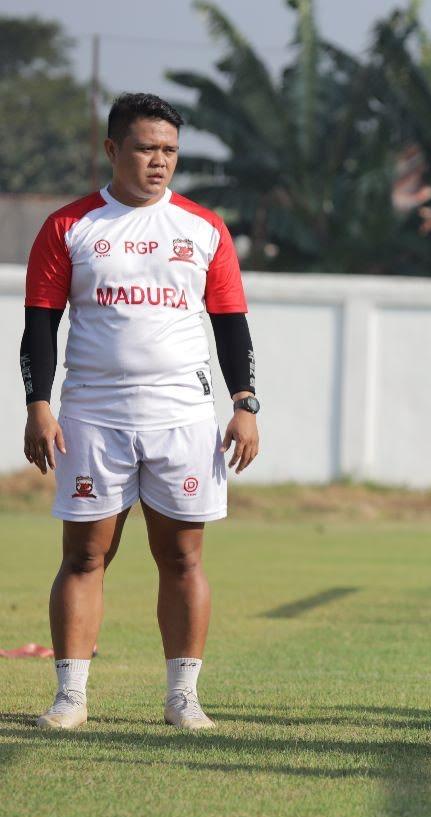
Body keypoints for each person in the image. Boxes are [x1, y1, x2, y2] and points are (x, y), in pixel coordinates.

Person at [21, 93, 260, 731]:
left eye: (170, 151)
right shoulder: (70, 226)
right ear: (112, 150)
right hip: (92, 413)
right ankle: (71, 698)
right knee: (84, 556)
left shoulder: (204, 228)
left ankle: (184, 696)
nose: (159, 162)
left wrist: (244, 404)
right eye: (146, 148)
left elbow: (231, 325)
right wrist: (38, 404)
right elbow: (41, 325)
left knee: (182, 558)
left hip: (181, 412)